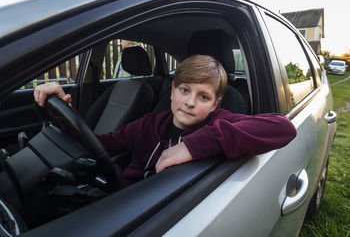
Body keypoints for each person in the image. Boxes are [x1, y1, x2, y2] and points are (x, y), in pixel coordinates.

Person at [34, 55, 297, 190]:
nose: (190, 102)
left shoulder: (220, 121)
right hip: (124, 199)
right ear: (172, 91)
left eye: (203, 96)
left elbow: (283, 127)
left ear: (216, 104)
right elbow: (100, 145)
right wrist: (63, 112)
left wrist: (195, 145)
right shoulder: (149, 124)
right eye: (184, 90)